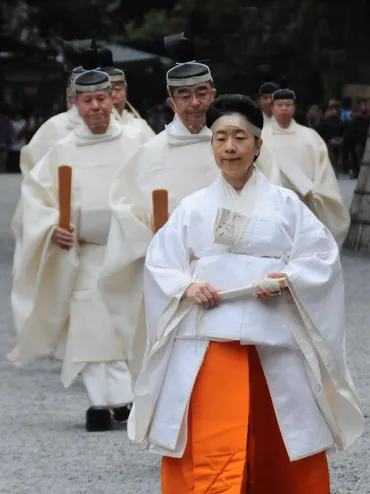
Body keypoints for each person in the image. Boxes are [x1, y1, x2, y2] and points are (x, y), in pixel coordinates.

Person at [128, 94, 364, 493]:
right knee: (212, 439)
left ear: (258, 145)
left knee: (282, 435)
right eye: (220, 138)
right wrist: (187, 286)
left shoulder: (286, 205)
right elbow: (160, 263)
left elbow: (321, 257)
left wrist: (289, 278)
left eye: (240, 137)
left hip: (273, 333)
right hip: (208, 338)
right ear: (212, 146)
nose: (230, 148)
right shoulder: (192, 207)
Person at [99, 33, 280, 379]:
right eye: (184, 96)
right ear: (171, 103)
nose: (194, 103)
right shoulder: (151, 154)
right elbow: (124, 211)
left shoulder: (241, 144)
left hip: (238, 274)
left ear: (213, 93)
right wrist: (160, 249)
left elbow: (273, 199)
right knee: (179, 369)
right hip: (179, 280)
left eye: (201, 93)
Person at [10, 70, 147, 432]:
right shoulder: (62, 149)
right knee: (91, 325)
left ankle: (128, 398)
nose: (97, 107)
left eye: (102, 98)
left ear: (113, 99)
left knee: (128, 326)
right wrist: (52, 226)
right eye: (88, 101)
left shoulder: (137, 141)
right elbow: (36, 198)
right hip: (86, 252)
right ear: (77, 104)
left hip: (128, 250)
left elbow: (154, 188)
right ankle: (101, 403)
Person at [262, 88, 350, 247]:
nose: (284, 108)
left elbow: (324, 171)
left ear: (294, 108)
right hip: (272, 204)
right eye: (280, 104)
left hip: (305, 202)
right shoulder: (261, 137)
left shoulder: (310, 137)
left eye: (288, 105)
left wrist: (315, 191)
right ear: (272, 107)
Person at [98, 47, 155, 139]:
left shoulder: (140, 127)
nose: (112, 95)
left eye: (117, 89)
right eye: (105, 91)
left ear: (125, 91)